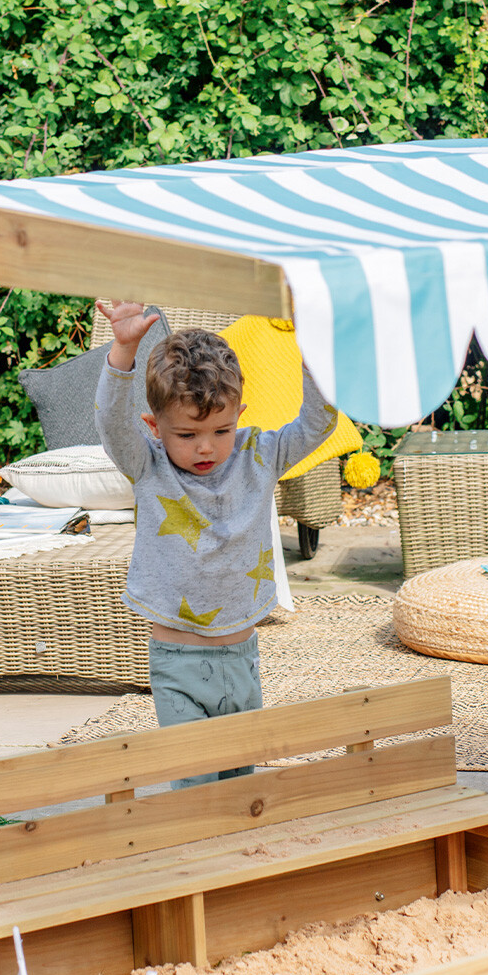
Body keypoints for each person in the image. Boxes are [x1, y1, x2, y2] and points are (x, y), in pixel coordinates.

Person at [94, 302, 338, 783]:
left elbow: (318, 423)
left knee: (241, 785)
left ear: (239, 416)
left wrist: (312, 354)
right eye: (187, 434)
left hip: (242, 658)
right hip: (178, 665)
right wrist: (123, 348)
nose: (205, 446)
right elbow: (109, 422)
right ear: (154, 427)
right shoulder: (148, 464)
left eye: (220, 430)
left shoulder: (258, 455)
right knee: (194, 786)